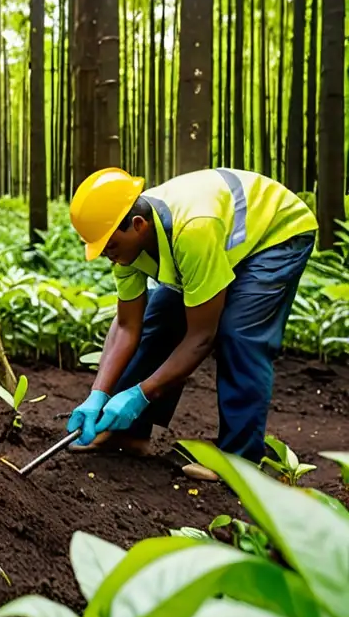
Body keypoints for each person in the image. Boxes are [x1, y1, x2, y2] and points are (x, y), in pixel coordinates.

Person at [66, 166, 317, 481]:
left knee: (238, 334)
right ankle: (128, 434)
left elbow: (201, 335)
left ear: (138, 225)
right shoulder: (125, 249)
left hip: (276, 233)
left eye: (110, 247)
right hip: (217, 241)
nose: (107, 257)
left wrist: (142, 393)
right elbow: (128, 327)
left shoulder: (192, 230)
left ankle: (239, 462)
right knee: (158, 321)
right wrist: (98, 394)